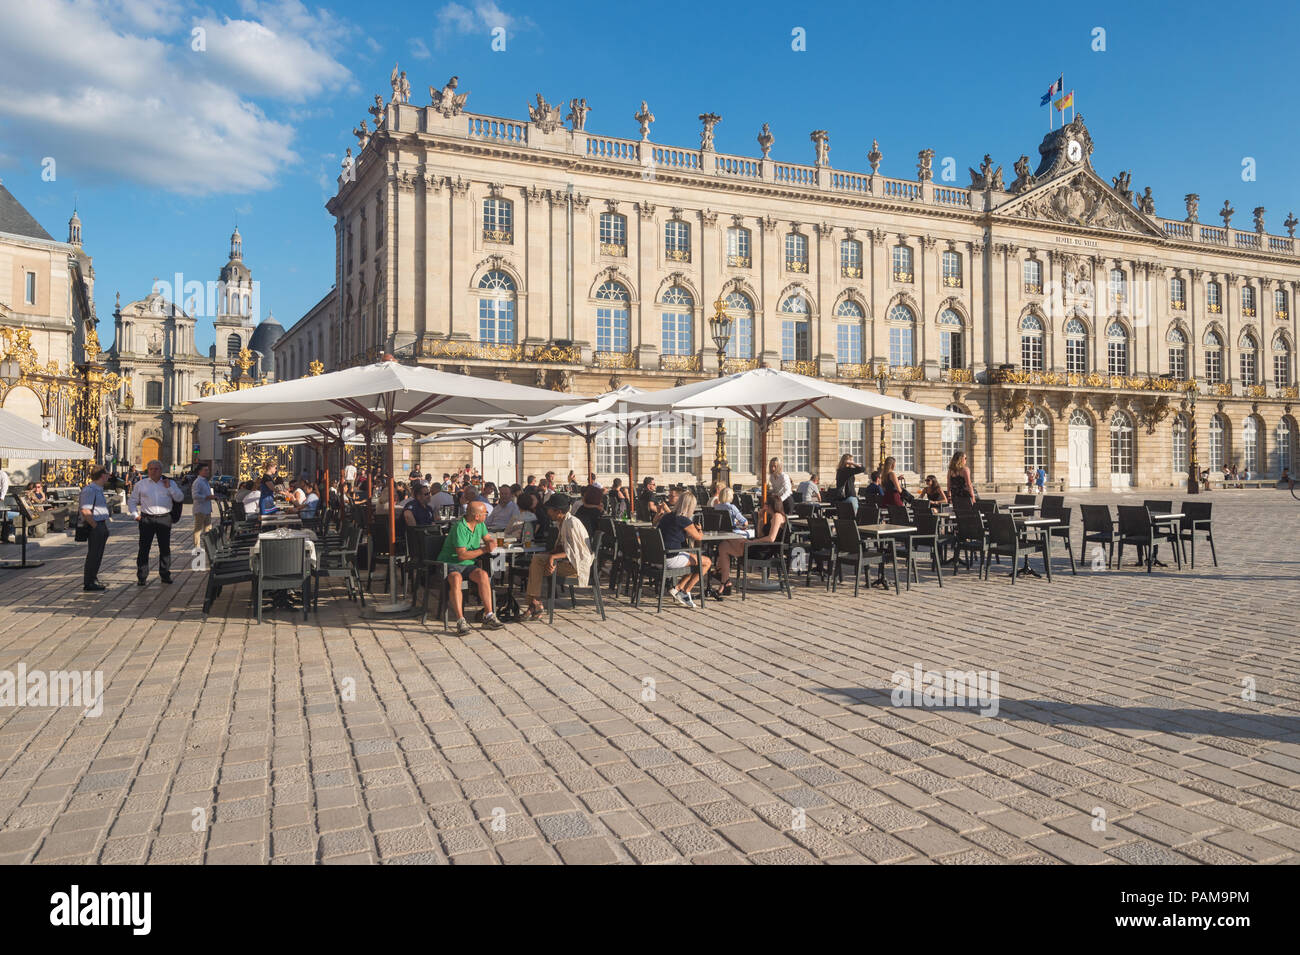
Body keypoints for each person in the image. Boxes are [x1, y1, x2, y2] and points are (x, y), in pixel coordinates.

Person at [435, 500, 503, 634]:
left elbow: (487, 537)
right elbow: (462, 555)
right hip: (450, 563)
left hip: (468, 565)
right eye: (485, 513)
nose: (486, 515)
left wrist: (490, 542)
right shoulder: (460, 527)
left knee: (483, 575)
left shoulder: (480, 524)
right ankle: (460, 620)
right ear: (476, 516)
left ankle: (489, 615)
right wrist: (484, 550)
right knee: (456, 579)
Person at [523, 493, 594, 620]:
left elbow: (576, 552)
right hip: (566, 562)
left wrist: (552, 558)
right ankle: (534, 602)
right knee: (536, 562)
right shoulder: (562, 522)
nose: (548, 512)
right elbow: (563, 546)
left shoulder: (572, 523)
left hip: (575, 565)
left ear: (558, 511)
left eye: (550, 510)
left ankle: (534, 603)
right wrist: (550, 554)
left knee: (536, 566)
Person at [128, 459, 183, 585]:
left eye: (156, 469)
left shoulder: (170, 483)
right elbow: (132, 501)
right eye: (151, 469)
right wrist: (135, 515)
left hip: (164, 518)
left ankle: (165, 574)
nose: (153, 471)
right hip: (147, 519)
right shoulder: (141, 485)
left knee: (164, 548)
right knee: (144, 548)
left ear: (161, 470)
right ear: (148, 470)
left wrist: (169, 488)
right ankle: (142, 576)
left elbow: (179, 498)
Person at [654, 490, 711, 608]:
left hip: (657, 556)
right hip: (670, 558)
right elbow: (698, 537)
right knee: (706, 562)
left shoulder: (666, 517)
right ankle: (685, 591)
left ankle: (678, 587)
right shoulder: (684, 520)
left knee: (695, 559)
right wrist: (699, 529)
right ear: (690, 506)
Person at [78, 466, 112, 592]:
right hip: (95, 525)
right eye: (107, 473)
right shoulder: (90, 490)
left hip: (100, 523)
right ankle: (89, 581)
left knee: (98, 554)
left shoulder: (98, 489)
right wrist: (96, 526)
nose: (108, 476)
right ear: (102, 475)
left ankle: (93, 578)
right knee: (94, 554)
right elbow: (85, 510)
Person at [191, 463, 214, 551]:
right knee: (198, 529)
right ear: (200, 471)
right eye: (205, 470)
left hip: (207, 509)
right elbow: (195, 496)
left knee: (208, 528)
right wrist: (206, 497)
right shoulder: (198, 482)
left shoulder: (205, 481)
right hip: (200, 509)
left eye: (208, 470)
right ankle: (197, 547)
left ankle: (208, 546)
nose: (207, 472)